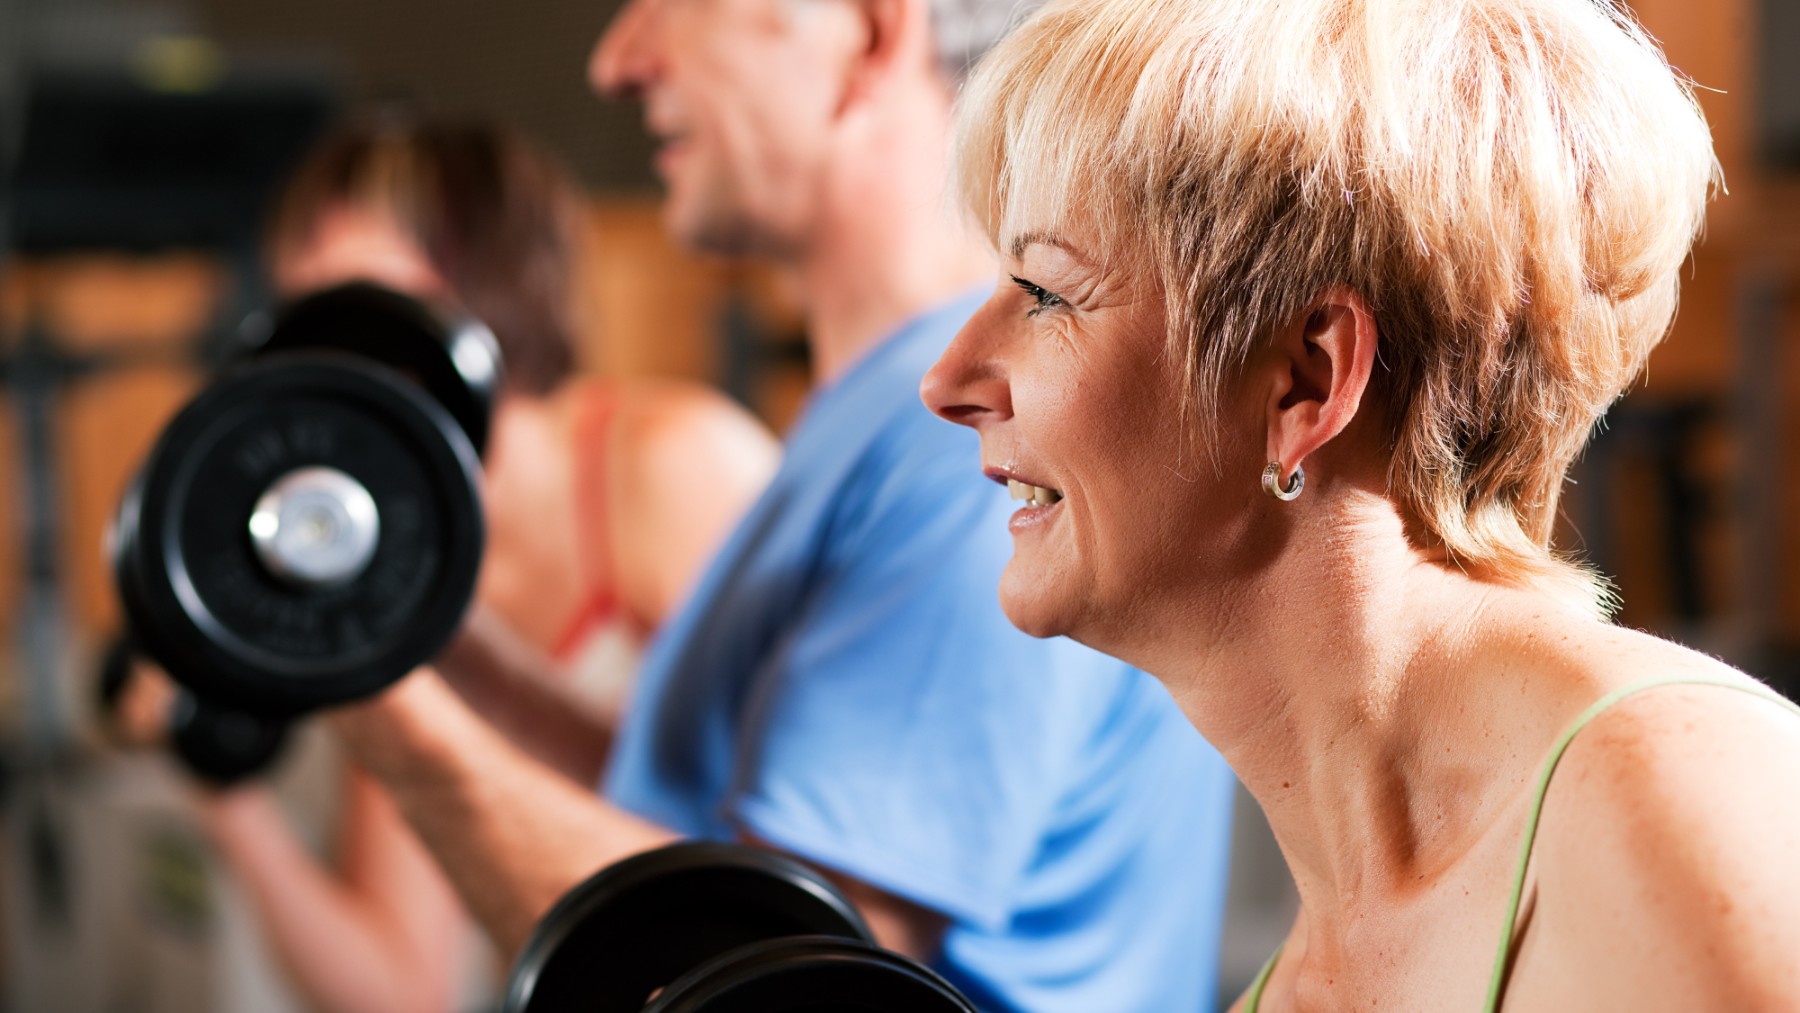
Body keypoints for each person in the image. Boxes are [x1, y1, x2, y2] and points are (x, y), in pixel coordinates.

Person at [326, 0, 1240, 1008]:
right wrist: (439, 652)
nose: (617, 61)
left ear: (867, 36)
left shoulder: (967, 449)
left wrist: (374, 695)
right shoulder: (879, 411)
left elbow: (783, 972)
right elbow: (698, 832)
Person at [922, 0, 1800, 1008]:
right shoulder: (1295, 981)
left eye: (1045, 294)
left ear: (1304, 379)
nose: (948, 378)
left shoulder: (1682, 803)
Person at [179, 118, 781, 1013]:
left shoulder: (666, 468)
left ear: (490, 294)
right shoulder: (385, 565)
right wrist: (223, 796)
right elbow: (403, 988)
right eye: (307, 313)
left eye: (373, 304)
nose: (332, 359)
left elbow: (788, 886)